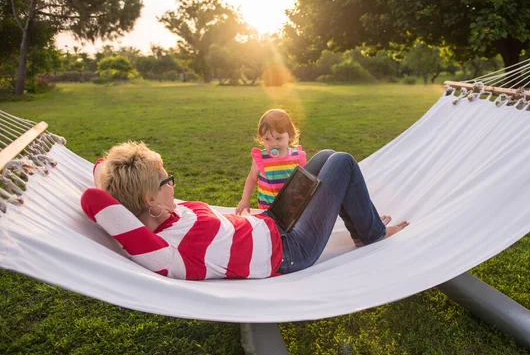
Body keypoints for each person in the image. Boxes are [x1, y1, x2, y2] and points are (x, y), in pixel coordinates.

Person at [81, 141, 409, 280]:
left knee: (324, 156)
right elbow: (96, 202)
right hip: (292, 250)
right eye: (167, 180)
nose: (173, 185)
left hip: (270, 222)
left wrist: (110, 171)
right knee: (343, 163)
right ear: (149, 200)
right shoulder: (168, 251)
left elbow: (102, 177)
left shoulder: (165, 210)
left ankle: (363, 225)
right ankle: (372, 234)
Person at [236, 109, 307, 215]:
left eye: (279, 138)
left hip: (291, 209)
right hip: (267, 210)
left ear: (290, 136)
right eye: (267, 139)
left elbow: (303, 183)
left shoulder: (297, 157)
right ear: (261, 138)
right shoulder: (261, 158)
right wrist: (245, 199)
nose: (273, 144)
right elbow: (251, 178)